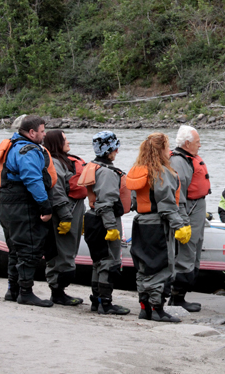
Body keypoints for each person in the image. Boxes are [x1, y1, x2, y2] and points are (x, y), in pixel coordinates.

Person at [127, 133, 192, 322]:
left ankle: (144, 307)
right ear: (162, 149)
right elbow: (167, 204)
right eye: (167, 147)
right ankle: (157, 309)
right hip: (158, 225)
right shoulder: (162, 172)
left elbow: (132, 202)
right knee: (161, 266)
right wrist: (180, 225)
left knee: (143, 267)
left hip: (140, 223)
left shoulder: (138, 170)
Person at [0, 115, 57, 307]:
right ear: (31, 132)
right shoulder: (27, 150)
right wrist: (45, 205)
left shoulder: (14, 145)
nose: (44, 134)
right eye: (42, 131)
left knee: (15, 249)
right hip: (21, 206)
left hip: (7, 204)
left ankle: (12, 290)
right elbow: (32, 179)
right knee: (29, 250)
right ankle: (25, 292)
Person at [78, 131, 131, 315]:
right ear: (109, 149)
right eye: (115, 147)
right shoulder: (107, 173)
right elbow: (106, 203)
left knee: (98, 262)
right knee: (109, 262)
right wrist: (111, 228)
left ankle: (97, 301)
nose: (117, 150)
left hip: (93, 218)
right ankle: (106, 303)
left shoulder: (93, 167)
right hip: (104, 221)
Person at [167, 125, 211, 312]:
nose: (200, 146)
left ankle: (180, 295)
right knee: (186, 252)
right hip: (190, 210)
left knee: (194, 250)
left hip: (197, 207)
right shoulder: (179, 161)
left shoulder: (188, 159)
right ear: (187, 143)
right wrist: (183, 220)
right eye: (197, 142)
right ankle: (177, 297)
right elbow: (178, 194)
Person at [43, 130, 86, 306]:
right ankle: (57, 291)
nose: (68, 142)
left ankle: (60, 291)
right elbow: (57, 190)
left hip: (75, 211)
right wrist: (65, 216)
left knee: (70, 252)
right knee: (62, 254)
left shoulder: (65, 161)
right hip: (64, 214)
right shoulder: (53, 163)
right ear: (56, 143)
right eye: (65, 140)